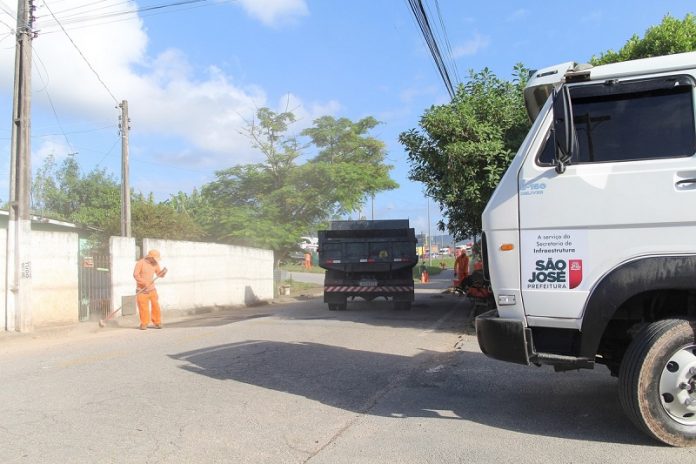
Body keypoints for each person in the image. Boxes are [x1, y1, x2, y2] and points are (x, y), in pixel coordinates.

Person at [133, 249, 168, 330]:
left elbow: (159, 274)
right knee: (143, 308)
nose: (155, 261)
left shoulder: (155, 264)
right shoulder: (140, 263)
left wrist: (163, 273)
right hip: (141, 290)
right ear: (150, 257)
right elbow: (136, 275)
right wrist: (144, 283)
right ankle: (144, 323)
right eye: (155, 259)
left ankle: (157, 322)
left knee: (156, 306)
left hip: (152, 290)